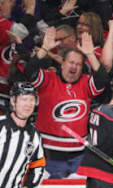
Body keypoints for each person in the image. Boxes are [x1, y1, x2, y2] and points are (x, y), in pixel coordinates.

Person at [25, 27, 108, 178]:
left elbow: (102, 79)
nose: (74, 67)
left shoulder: (85, 83)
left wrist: (90, 54)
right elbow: (29, 71)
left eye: (78, 64)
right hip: (50, 157)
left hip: (79, 157)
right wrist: (44, 49)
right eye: (71, 62)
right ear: (62, 64)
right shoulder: (49, 79)